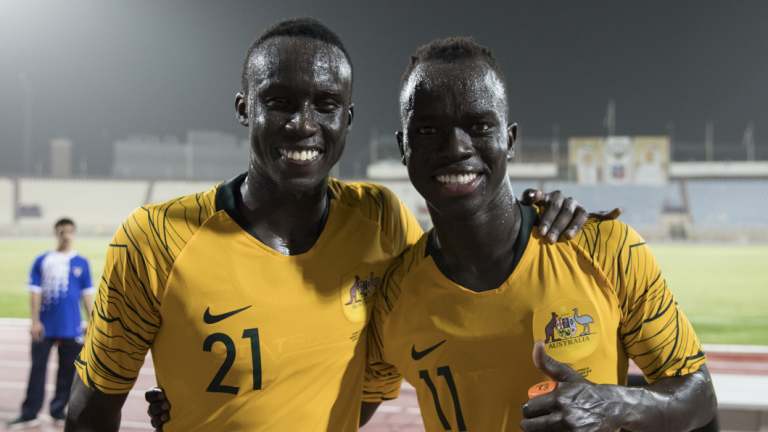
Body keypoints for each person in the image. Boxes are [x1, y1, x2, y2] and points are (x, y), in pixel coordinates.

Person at [65, 19, 590, 432]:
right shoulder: (155, 239)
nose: (303, 123)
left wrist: (537, 212)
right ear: (244, 109)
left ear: (347, 120)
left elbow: (465, 277)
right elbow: (90, 412)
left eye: (326, 104)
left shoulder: (380, 220)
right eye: (279, 102)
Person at [354, 37, 716, 431]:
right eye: (427, 130)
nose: (456, 147)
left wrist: (615, 404)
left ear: (509, 141)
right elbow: (341, 403)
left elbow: (698, 394)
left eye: (478, 126)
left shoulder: (607, 249)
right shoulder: (393, 298)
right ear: (402, 147)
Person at [7, 218, 94, 429]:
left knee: (67, 373)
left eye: (69, 231)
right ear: (56, 233)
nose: (66, 235)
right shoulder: (43, 260)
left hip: (71, 326)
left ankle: (58, 410)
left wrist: (91, 322)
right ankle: (29, 413)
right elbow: (35, 292)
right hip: (45, 326)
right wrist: (35, 321)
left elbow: (87, 295)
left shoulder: (81, 263)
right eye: (62, 231)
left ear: (74, 233)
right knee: (37, 370)